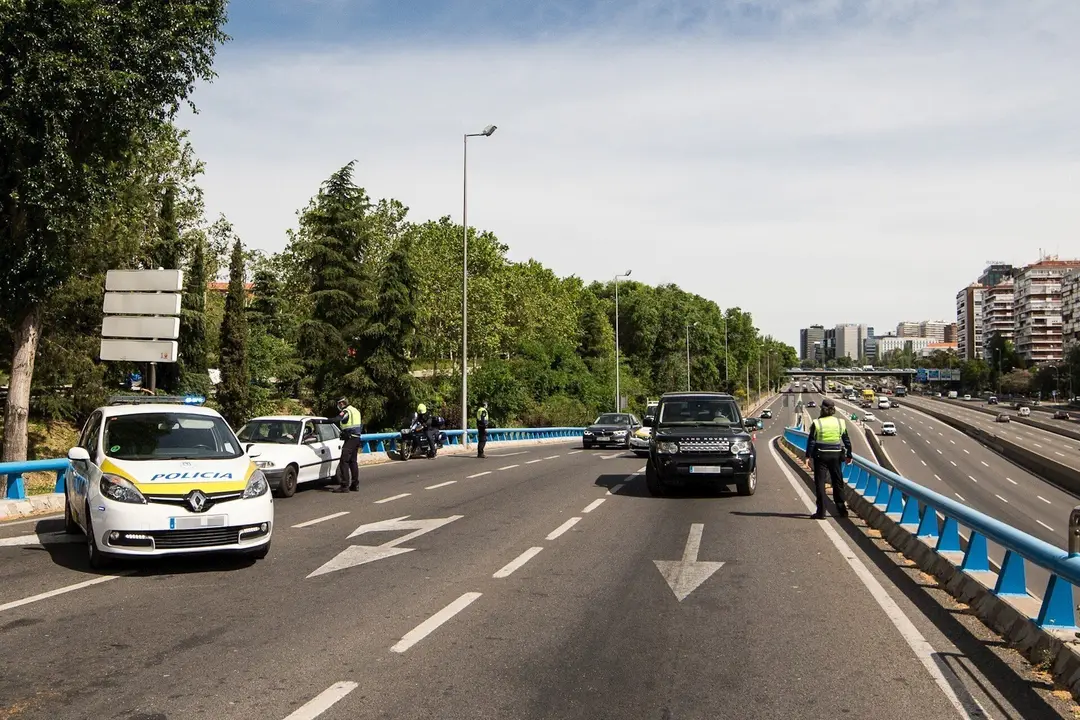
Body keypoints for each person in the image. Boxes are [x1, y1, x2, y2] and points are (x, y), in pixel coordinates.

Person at [803, 397, 851, 519]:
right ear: (833, 410)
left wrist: (808, 456)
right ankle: (842, 510)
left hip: (821, 455)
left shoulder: (817, 423)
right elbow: (846, 440)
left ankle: (821, 512)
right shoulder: (840, 422)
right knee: (837, 482)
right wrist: (849, 455)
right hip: (836, 455)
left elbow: (812, 441)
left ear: (822, 410)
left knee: (820, 483)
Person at [333, 397, 363, 493]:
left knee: (344, 461)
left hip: (350, 439)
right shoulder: (355, 411)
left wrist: (322, 421)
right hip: (357, 438)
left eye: (339, 404)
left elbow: (338, 419)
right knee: (353, 462)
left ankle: (344, 485)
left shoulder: (346, 411)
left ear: (342, 403)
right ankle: (355, 484)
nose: (338, 406)